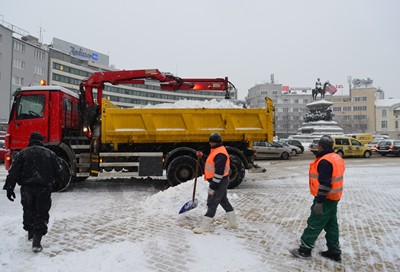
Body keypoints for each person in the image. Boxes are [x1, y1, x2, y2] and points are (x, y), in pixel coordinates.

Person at [3, 132, 63, 253]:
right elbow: (60, 172)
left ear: (30, 141)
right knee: (41, 212)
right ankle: (37, 241)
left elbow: (13, 172)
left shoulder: (22, 154)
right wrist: (56, 184)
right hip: (43, 188)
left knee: (28, 210)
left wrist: (10, 188)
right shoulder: (49, 154)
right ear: (41, 141)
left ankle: (31, 232)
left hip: (27, 188)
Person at [289, 135, 345, 262]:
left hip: (325, 199)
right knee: (331, 225)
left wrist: (319, 201)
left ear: (321, 146)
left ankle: (304, 250)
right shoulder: (336, 158)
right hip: (334, 198)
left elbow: (325, 183)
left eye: (318, 145)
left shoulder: (325, 161)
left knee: (314, 222)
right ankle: (334, 251)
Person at [193, 132, 238, 234]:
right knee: (223, 201)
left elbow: (219, 172)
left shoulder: (220, 153)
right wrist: (203, 156)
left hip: (218, 182)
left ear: (215, 142)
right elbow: (211, 162)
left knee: (212, 203)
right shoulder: (217, 151)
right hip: (220, 181)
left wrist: (213, 186)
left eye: (211, 142)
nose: (209, 144)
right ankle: (233, 222)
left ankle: (204, 227)